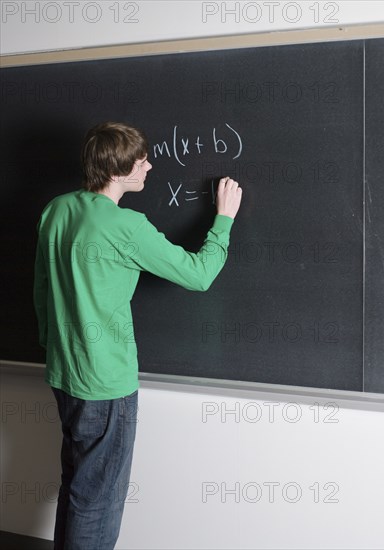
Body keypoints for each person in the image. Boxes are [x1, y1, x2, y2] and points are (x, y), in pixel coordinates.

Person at [33, 121, 242, 549]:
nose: (149, 165)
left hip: (64, 375)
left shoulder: (55, 210)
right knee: (99, 500)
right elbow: (199, 275)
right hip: (107, 385)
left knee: (76, 488)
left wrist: (53, 347)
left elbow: (40, 290)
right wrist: (223, 220)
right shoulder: (127, 226)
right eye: (141, 160)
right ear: (118, 169)